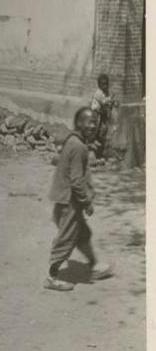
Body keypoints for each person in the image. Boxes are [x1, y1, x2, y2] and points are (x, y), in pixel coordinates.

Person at [44, 107, 113, 291]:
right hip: (70, 202)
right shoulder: (79, 146)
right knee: (66, 239)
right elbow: (76, 181)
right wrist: (87, 202)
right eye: (89, 122)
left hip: (67, 199)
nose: (93, 126)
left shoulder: (74, 141)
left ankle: (94, 265)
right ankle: (52, 277)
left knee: (83, 234)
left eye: (95, 123)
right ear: (79, 123)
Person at [90, 73, 116, 158]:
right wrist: (110, 100)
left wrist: (110, 101)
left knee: (103, 130)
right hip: (96, 112)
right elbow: (103, 101)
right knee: (97, 128)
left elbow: (106, 102)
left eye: (106, 84)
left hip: (101, 113)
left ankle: (99, 151)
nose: (105, 86)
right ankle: (94, 150)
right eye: (103, 84)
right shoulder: (98, 92)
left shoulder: (105, 92)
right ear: (99, 85)